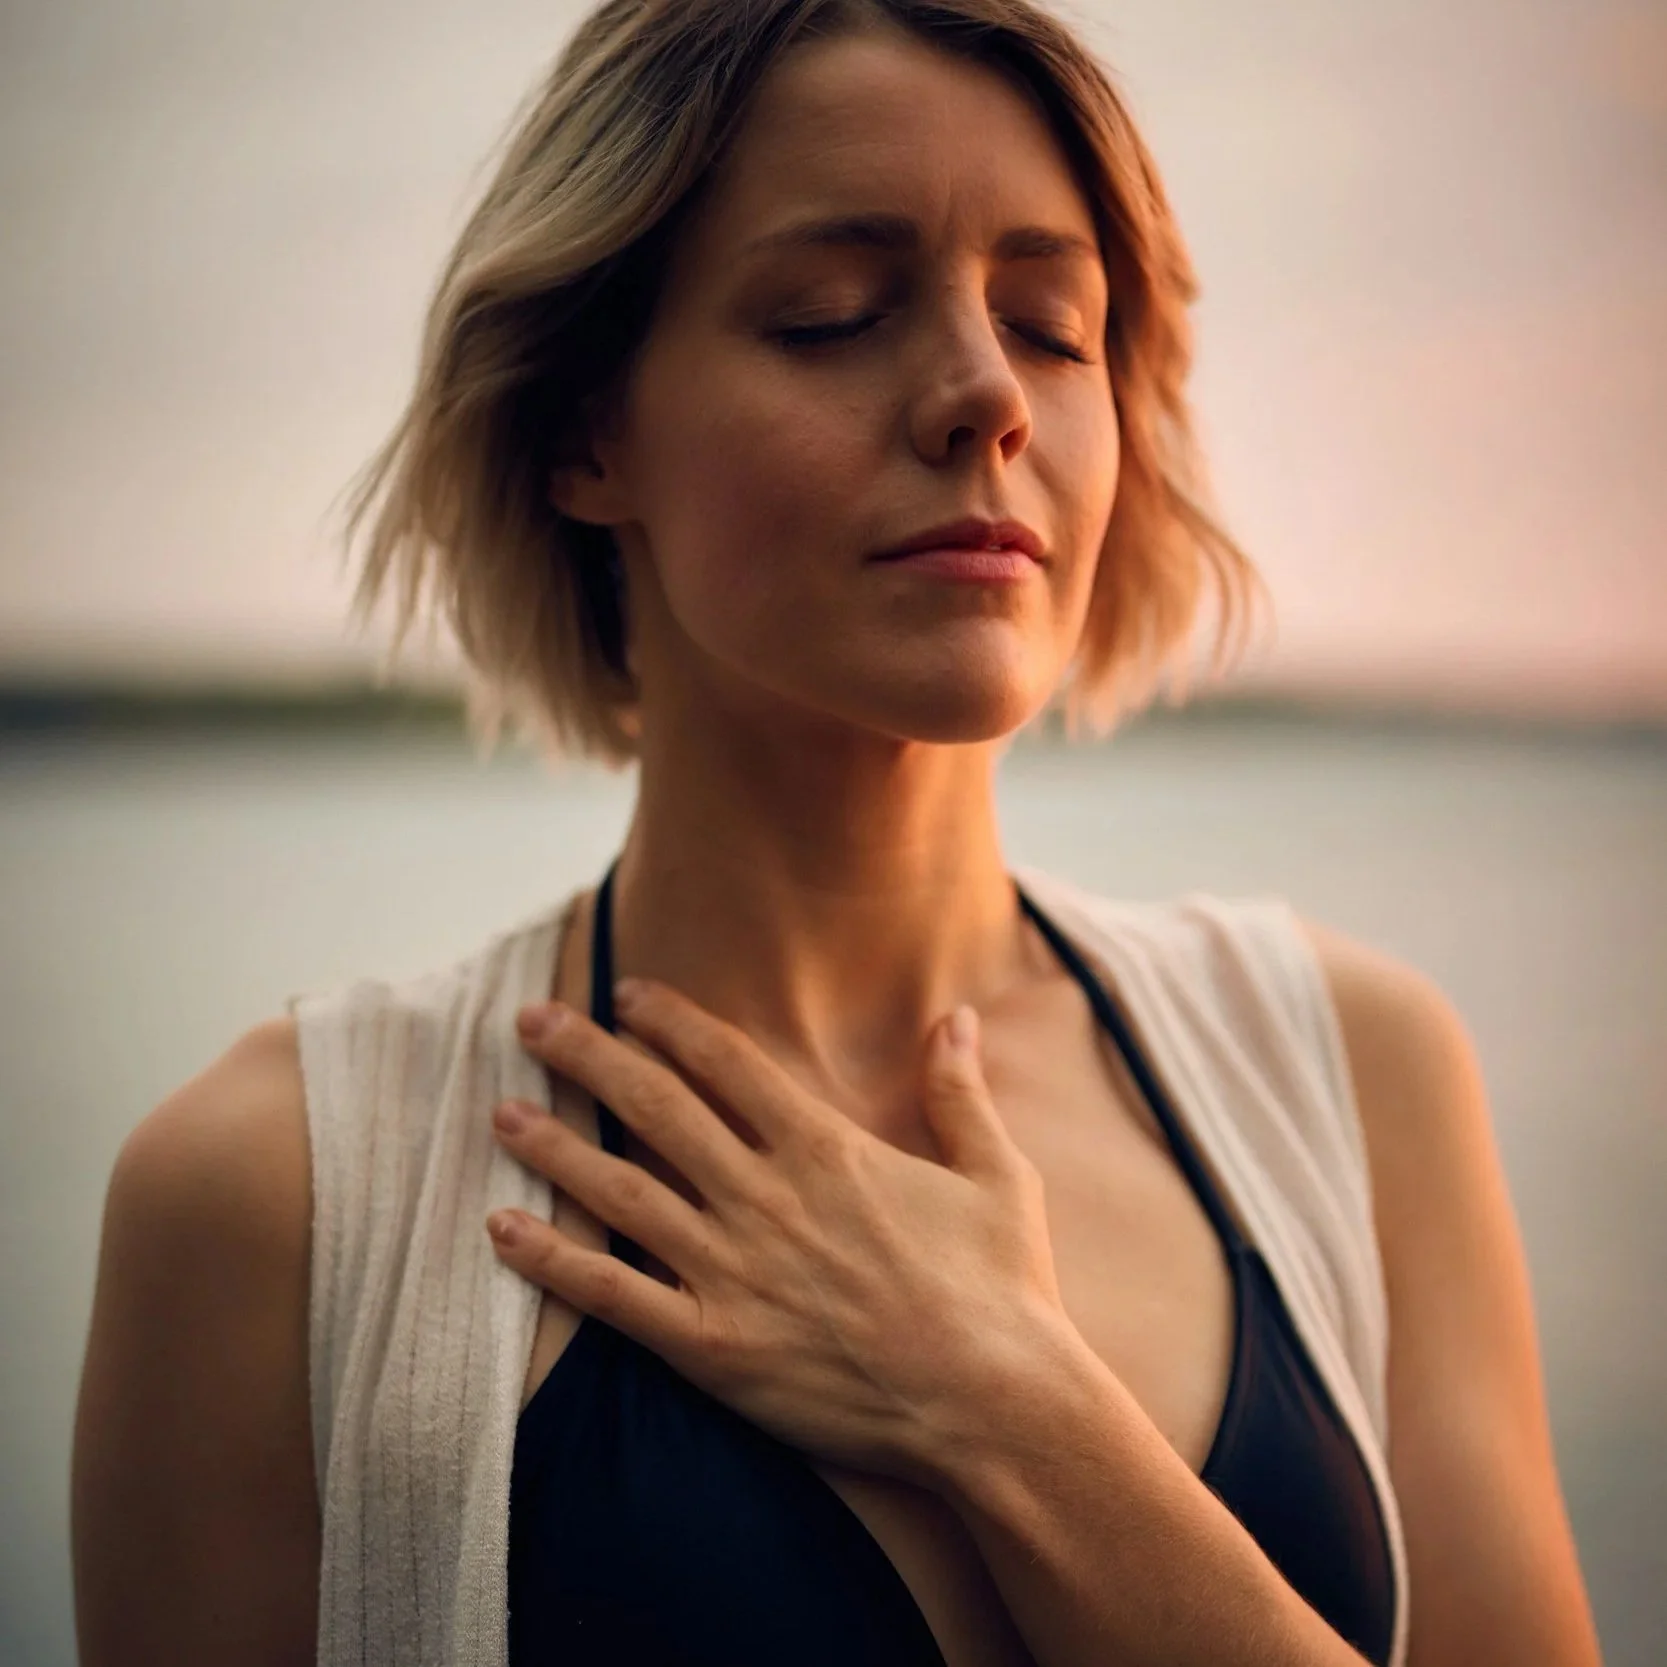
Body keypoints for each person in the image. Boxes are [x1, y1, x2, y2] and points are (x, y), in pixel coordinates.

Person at [70, 3, 1605, 1665]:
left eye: (1049, 323)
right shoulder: (271, 1203)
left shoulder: (1351, 1076)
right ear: (589, 430)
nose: (979, 395)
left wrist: (1007, 1406)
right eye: (830, 316)